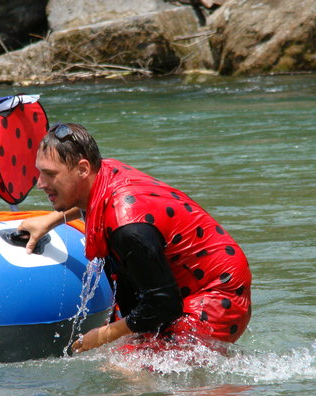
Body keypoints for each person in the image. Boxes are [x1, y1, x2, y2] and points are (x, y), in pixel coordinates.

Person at [18, 122, 251, 354]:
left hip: (218, 291)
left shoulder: (129, 229)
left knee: (124, 368)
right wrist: (49, 221)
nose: (40, 183)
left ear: (83, 169)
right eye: (40, 172)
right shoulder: (104, 171)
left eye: (50, 174)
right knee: (129, 347)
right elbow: (90, 199)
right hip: (183, 280)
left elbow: (164, 304)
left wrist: (105, 334)